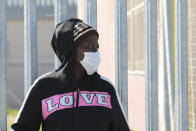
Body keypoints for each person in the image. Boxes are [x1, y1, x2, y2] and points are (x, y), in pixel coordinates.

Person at [10, 18, 131, 131]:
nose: (95, 53)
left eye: (96, 47)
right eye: (89, 47)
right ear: (71, 50)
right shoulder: (44, 87)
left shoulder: (106, 88)